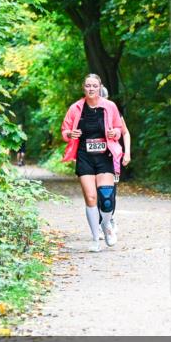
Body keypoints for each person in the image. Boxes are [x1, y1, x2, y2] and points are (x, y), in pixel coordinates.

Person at [60, 74, 126, 252]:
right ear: (84, 88)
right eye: (88, 86)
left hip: (105, 156)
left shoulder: (109, 107)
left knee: (106, 200)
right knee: (90, 198)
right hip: (84, 157)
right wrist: (69, 135)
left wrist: (115, 134)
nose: (91, 89)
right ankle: (96, 239)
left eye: (94, 86)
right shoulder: (76, 108)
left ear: (100, 87)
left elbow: (119, 129)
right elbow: (65, 130)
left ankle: (106, 224)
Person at [99, 85, 131, 233]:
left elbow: (125, 133)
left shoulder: (114, 111)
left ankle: (109, 218)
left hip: (112, 157)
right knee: (96, 192)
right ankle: (99, 224)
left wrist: (127, 153)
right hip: (93, 159)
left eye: (104, 99)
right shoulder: (86, 112)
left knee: (110, 192)